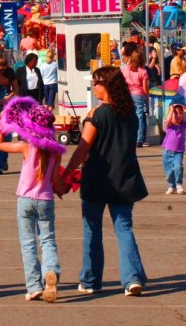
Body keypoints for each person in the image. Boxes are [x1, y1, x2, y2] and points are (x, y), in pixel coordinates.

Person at [62, 66, 147, 296]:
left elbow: (83, 148)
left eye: (97, 83)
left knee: (92, 230)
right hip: (125, 178)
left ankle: (91, 280)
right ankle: (132, 279)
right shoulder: (129, 113)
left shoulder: (97, 115)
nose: (94, 87)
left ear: (107, 85)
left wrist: (67, 173)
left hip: (98, 179)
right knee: (124, 229)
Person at [0, 97, 66, 302]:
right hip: (45, 199)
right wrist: (62, 190)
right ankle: (50, 271)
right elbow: (55, 180)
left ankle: (34, 286)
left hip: (25, 199)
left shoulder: (26, 147)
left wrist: (2, 124)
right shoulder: (55, 151)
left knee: (28, 243)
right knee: (48, 240)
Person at [121, 47, 150, 147]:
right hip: (139, 94)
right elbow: (145, 87)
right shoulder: (143, 71)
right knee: (140, 116)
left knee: (128, 116)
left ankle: (129, 137)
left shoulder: (125, 70)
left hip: (128, 94)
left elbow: (122, 83)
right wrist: (147, 98)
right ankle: (139, 139)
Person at [162, 97, 185, 195]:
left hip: (178, 152)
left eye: (180, 114)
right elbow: (167, 121)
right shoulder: (170, 125)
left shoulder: (183, 124)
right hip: (167, 151)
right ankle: (172, 186)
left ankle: (179, 183)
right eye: (176, 114)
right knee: (169, 172)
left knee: (178, 167)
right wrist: (171, 110)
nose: (178, 115)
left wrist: (184, 109)